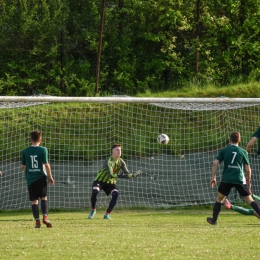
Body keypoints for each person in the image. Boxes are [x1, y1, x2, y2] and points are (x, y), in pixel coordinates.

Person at [207, 131, 260, 225]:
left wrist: (213, 177)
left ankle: (214, 220)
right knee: (250, 201)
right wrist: (248, 179)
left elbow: (215, 163)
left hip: (227, 178)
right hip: (239, 179)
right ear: (239, 140)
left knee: (219, 199)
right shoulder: (243, 152)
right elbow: (248, 169)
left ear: (230, 139)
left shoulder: (224, 150)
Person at [88, 144, 141, 220]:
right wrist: (126, 176)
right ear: (112, 151)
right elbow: (111, 174)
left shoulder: (121, 162)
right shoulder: (108, 160)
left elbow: (126, 173)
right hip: (100, 180)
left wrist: (132, 175)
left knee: (115, 194)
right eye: (117, 150)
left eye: (120, 150)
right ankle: (93, 210)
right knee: (94, 192)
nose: (119, 151)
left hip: (110, 183)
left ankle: (107, 214)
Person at [21, 130, 54, 228]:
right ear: (40, 139)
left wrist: (29, 171)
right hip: (40, 178)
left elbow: (23, 166)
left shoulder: (25, 151)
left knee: (34, 201)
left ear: (30, 139)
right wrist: (50, 176)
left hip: (30, 180)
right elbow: (46, 165)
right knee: (43, 198)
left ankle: (37, 222)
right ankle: (45, 217)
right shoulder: (43, 150)